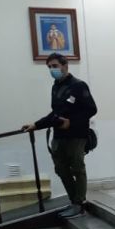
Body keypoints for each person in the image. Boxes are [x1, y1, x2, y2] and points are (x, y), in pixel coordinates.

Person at [22, 53, 97, 218]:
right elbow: (55, 113)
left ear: (65, 65)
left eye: (54, 66)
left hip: (77, 135)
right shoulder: (56, 86)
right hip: (59, 135)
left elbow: (91, 109)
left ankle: (80, 204)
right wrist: (36, 124)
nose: (52, 70)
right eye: (49, 67)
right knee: (61, 170)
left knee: (77, 168)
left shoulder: (79, 85)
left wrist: (72, 122)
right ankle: (73, 202)